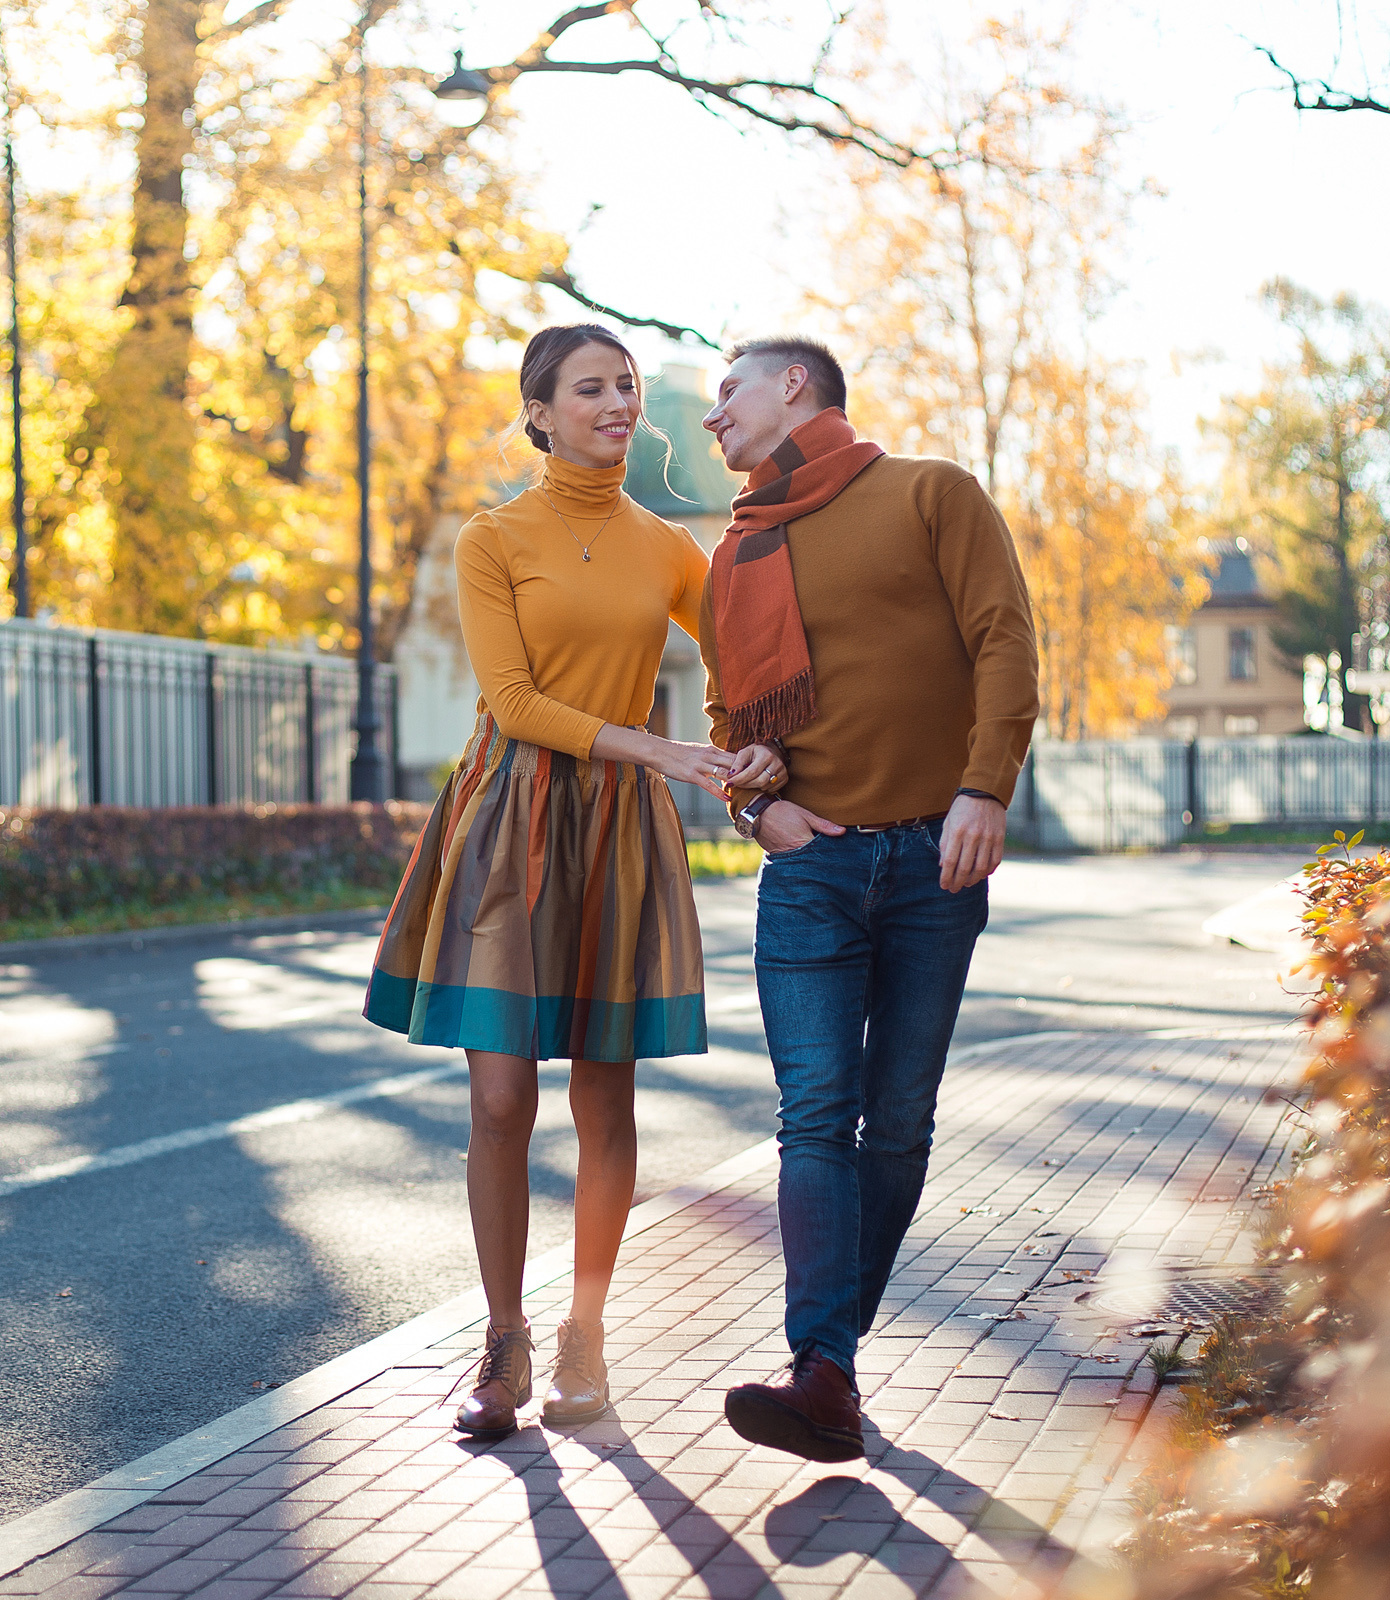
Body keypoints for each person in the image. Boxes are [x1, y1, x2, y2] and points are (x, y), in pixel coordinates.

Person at [364, 323, 783, 1441]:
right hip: (511, 817)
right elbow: (513, 701)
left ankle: (583, 1332)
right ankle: (502, 1339)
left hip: (619, 837)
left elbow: (749, 667)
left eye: (627, 388)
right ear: (539, 411)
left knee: (608, 1097)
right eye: (591, 388)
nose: (617, 403)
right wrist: (662, 749)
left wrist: (752, 749)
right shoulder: (492, 537)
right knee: (502, 1098)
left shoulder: (670, 547)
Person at [697, 336, 1038, 1462]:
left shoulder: (931, 492)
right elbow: (730, 723)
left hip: (936, 862)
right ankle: (822, 1370)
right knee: (813, 1114)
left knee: (895, 1121)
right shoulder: (737, 553)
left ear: (793, 384)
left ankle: (827, 1371)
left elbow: (1004, 641)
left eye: (726, 391)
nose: (713, 418)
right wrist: (758, 811)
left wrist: (985, 788)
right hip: (811, 872)